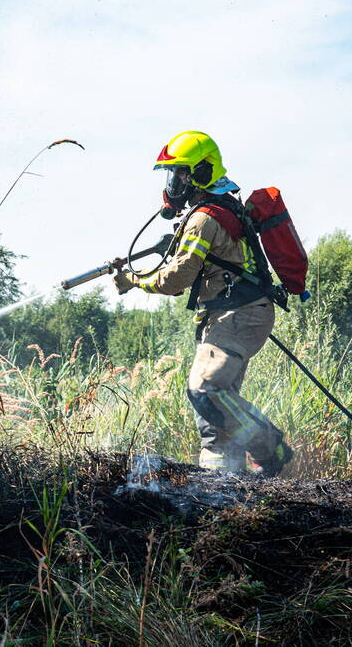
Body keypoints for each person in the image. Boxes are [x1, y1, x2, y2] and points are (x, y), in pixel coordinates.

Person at [113, 131, 294, 476]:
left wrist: (133, 280)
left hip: (238, 315)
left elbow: (176, 280)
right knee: (214, 414)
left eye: (179, 174)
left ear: (201, 172)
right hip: (228, 314)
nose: (173, 184)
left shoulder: (203, 218)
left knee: (205, 390)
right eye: (171, 175)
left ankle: (271, 446)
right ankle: (223, 483)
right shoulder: (214, 209)